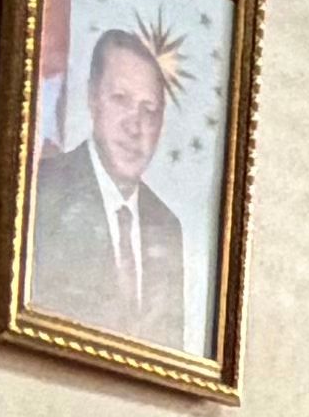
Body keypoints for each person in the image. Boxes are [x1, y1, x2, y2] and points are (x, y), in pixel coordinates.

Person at [29, 23, 191, 350]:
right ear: (92, 100)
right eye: (120, 99)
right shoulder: (43, 191)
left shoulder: (166, 227)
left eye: (149, 111)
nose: (135, 126)